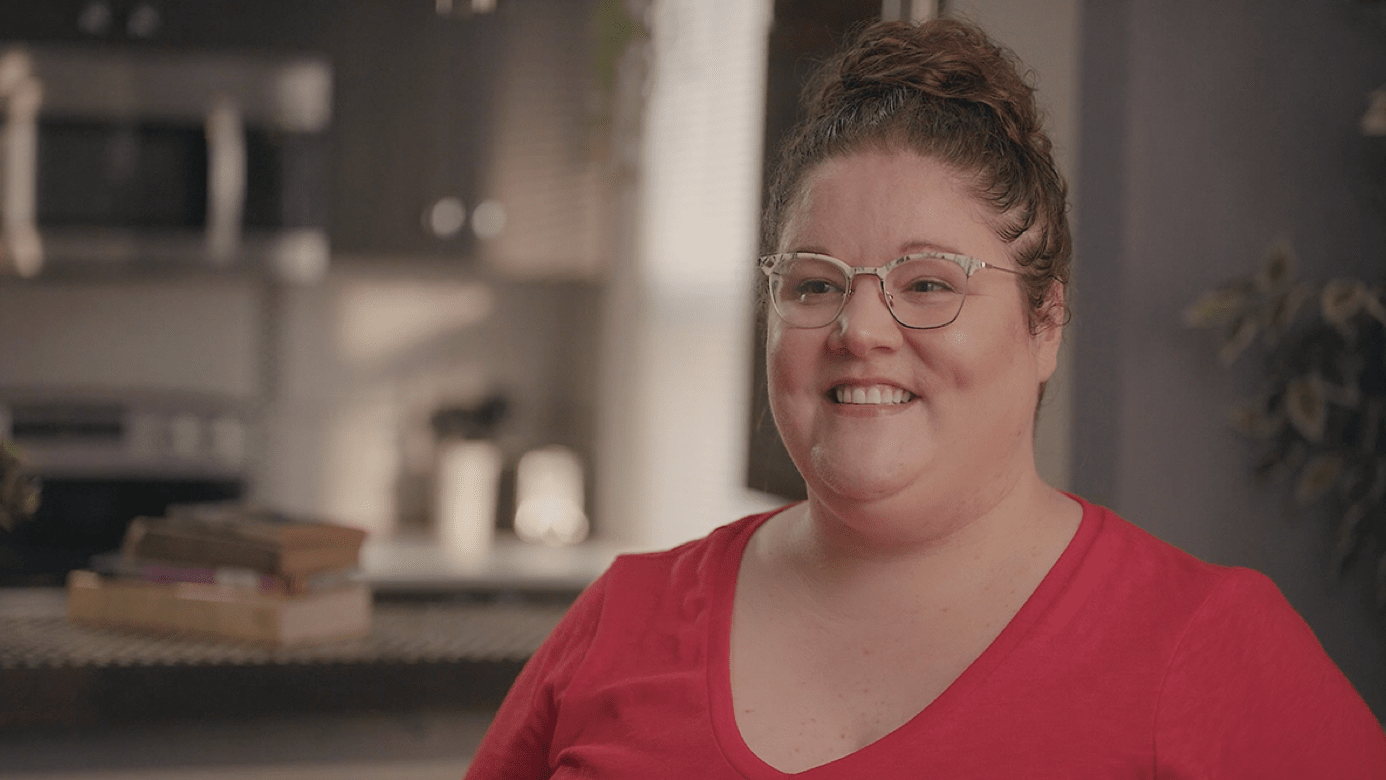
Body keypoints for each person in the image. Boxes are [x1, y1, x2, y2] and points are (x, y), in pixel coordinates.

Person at [465, 17, 1386, 778]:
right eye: (817, 284)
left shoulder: (1209, 647)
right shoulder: (621, 619)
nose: (859, 329)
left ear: (1045, 324)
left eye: (930, 284)